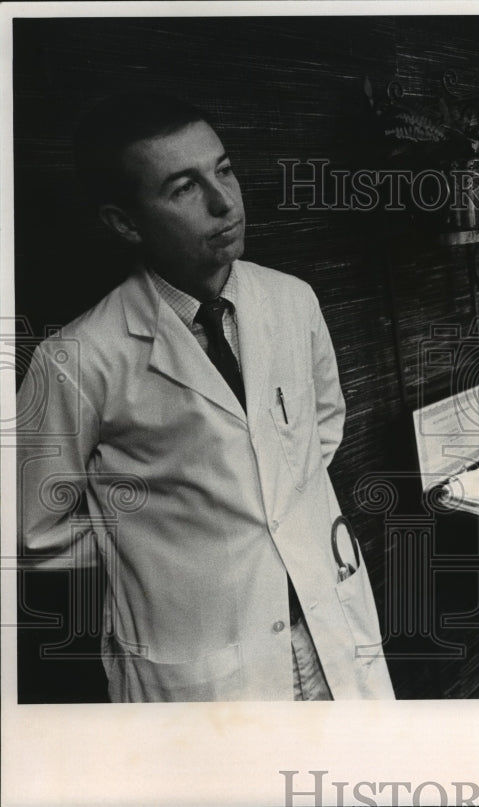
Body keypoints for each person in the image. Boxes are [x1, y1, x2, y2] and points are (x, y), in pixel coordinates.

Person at [17, 93, 395, 701]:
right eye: (183, 187)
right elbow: (30, 530)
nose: (224, 202)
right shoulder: (78, 357)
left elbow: (322, 425)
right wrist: (155, 544)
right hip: (206, 666)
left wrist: (263, 497)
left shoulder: (292, 300)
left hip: (327, 624)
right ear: (125, 222)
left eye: (223, 170)